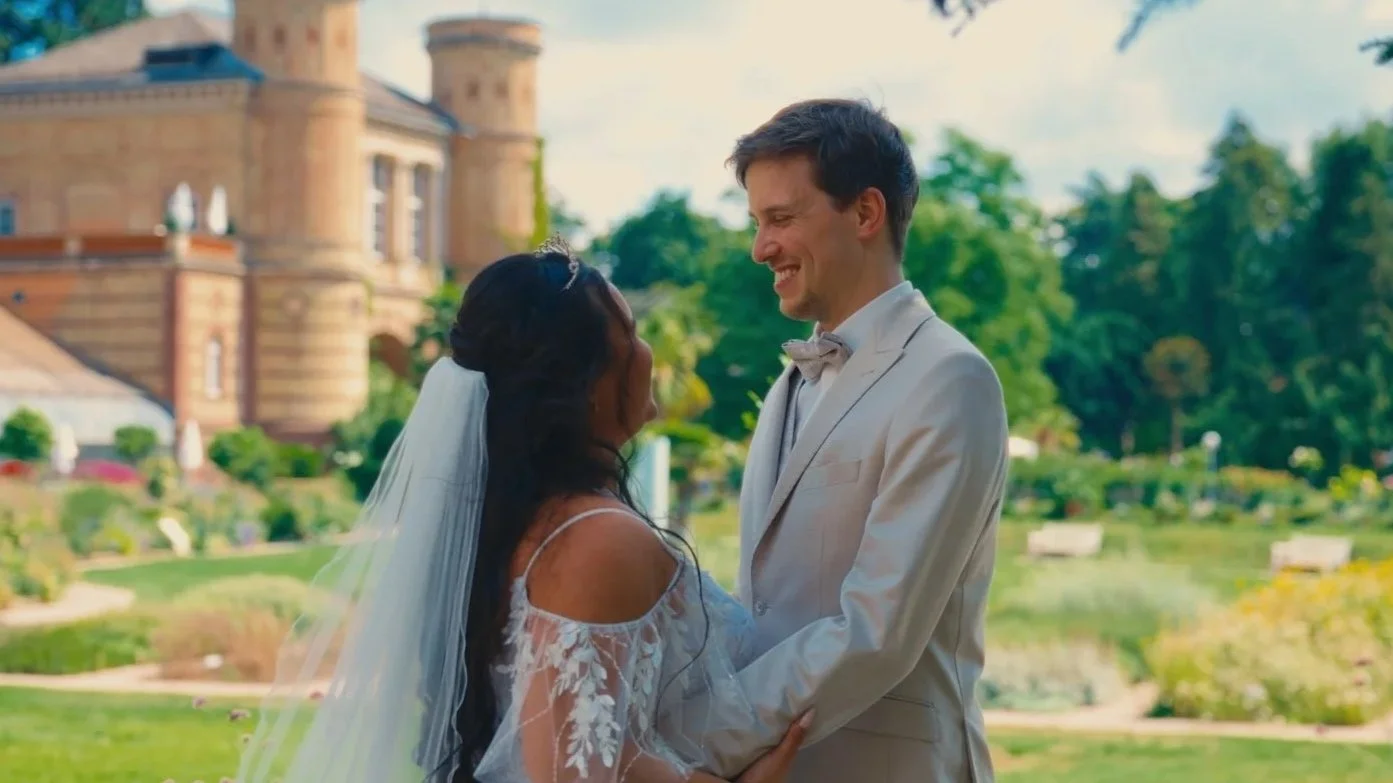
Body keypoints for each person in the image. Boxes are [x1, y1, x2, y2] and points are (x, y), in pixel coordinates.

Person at [234, 242, 810, 783]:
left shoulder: (519, 528)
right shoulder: (595, 541)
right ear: (584, 382)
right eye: (629, 332)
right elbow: (568, 765)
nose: (645, 351)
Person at [674, 99, 1009, 783]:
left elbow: (875, 629)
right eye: (756, 221)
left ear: (864, 213)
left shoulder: (949, 378)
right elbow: (765, 606)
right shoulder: (786, 386)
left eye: (781, 218)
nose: (758, 247)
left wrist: (700, 737)